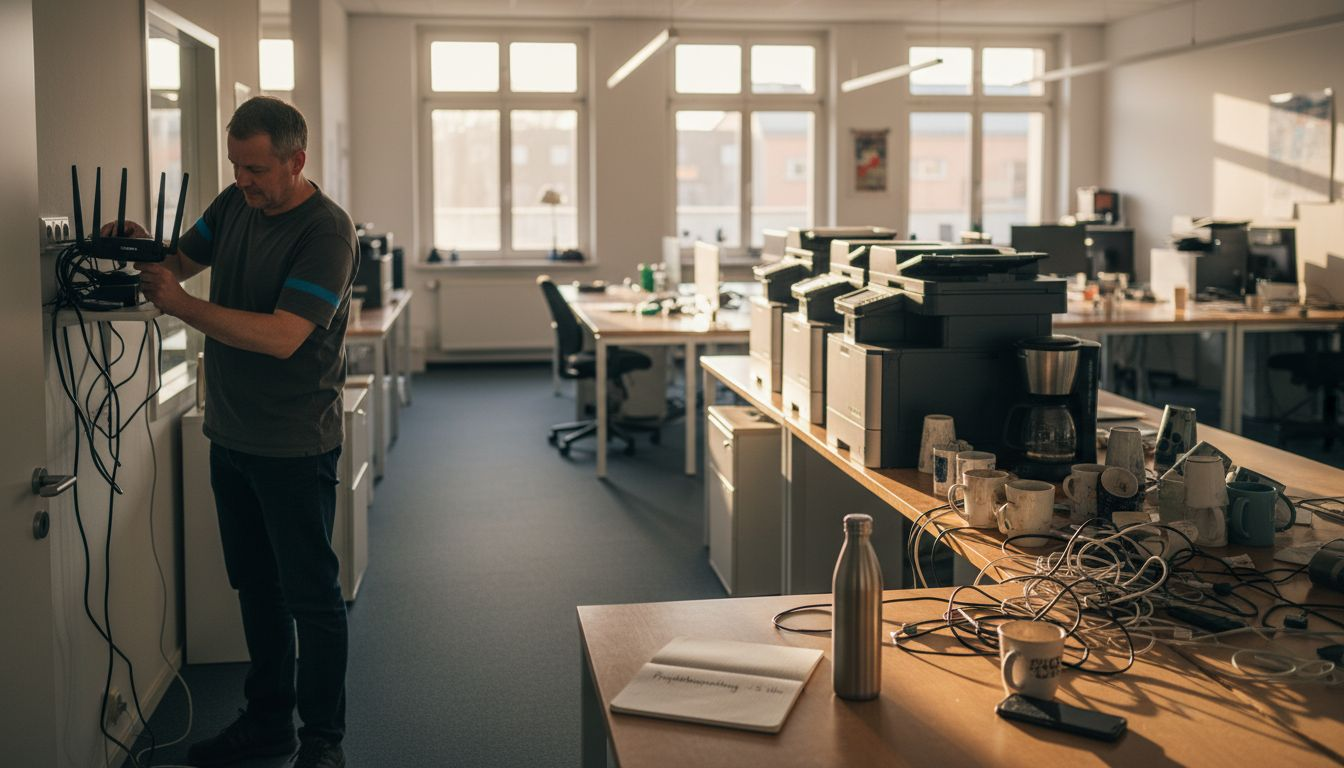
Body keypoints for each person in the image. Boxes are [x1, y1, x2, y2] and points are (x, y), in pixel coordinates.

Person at [117, 96, 357, 768]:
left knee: (312, 598)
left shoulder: (327, 233)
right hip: (232, 437)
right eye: (237, 166)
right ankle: (269, 722)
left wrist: (183, 306)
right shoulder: (231, 206)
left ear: (296, 160)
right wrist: (139, 246)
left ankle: (323, 741)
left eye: (256, 168)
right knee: (257, 589)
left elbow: (283, 337)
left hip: (293, 445)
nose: (243, 179)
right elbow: (177, 263)